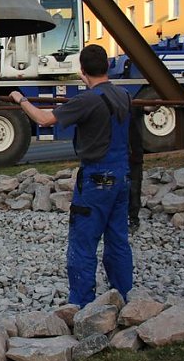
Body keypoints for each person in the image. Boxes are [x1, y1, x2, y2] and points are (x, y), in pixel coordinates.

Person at [9, 45, 133, 307]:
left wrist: (20, 99)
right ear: (107, 67)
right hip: (122, 176)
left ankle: (82, 305)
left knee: (83, 243)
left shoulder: (88, 100)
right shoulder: (123, 95)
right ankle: (125, 297)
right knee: (118, 241)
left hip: (97, 178)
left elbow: (43, 119)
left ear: (82, 71)